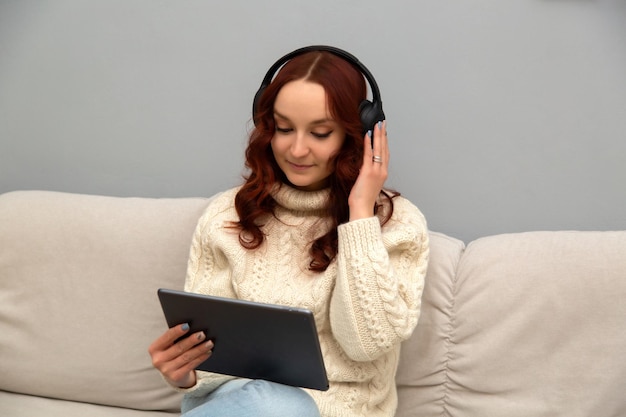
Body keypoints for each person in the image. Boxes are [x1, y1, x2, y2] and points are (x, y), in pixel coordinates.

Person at [148, 45, 429, 417]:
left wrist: (360, 214)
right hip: (239, 405)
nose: (297, 149)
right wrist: (183, 373)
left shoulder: (398, 225)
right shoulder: (225, 215)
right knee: (275, 404)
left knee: (287, 406)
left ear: (356, 134)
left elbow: (366, 344)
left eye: (320, 132)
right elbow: (211, 358)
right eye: (283, 129)